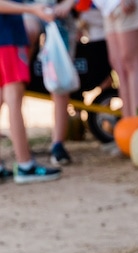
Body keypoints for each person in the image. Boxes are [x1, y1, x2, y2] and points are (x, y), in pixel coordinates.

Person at [0, 0, 62, 183]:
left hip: (7, 36)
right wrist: (32, 9)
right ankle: (25, 164)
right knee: (13, 98)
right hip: (7, 38)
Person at [23, 0, 78, 166]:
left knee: (60, 81)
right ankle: (22, 150)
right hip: (26, 13)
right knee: (12, 85)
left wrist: (68, 4)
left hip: (58, 17)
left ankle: (58, 144)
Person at [94, 0, 138, 117]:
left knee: (134, 62)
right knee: (119, 65)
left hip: (133, 4)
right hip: (108, 6)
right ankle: (128, 122)